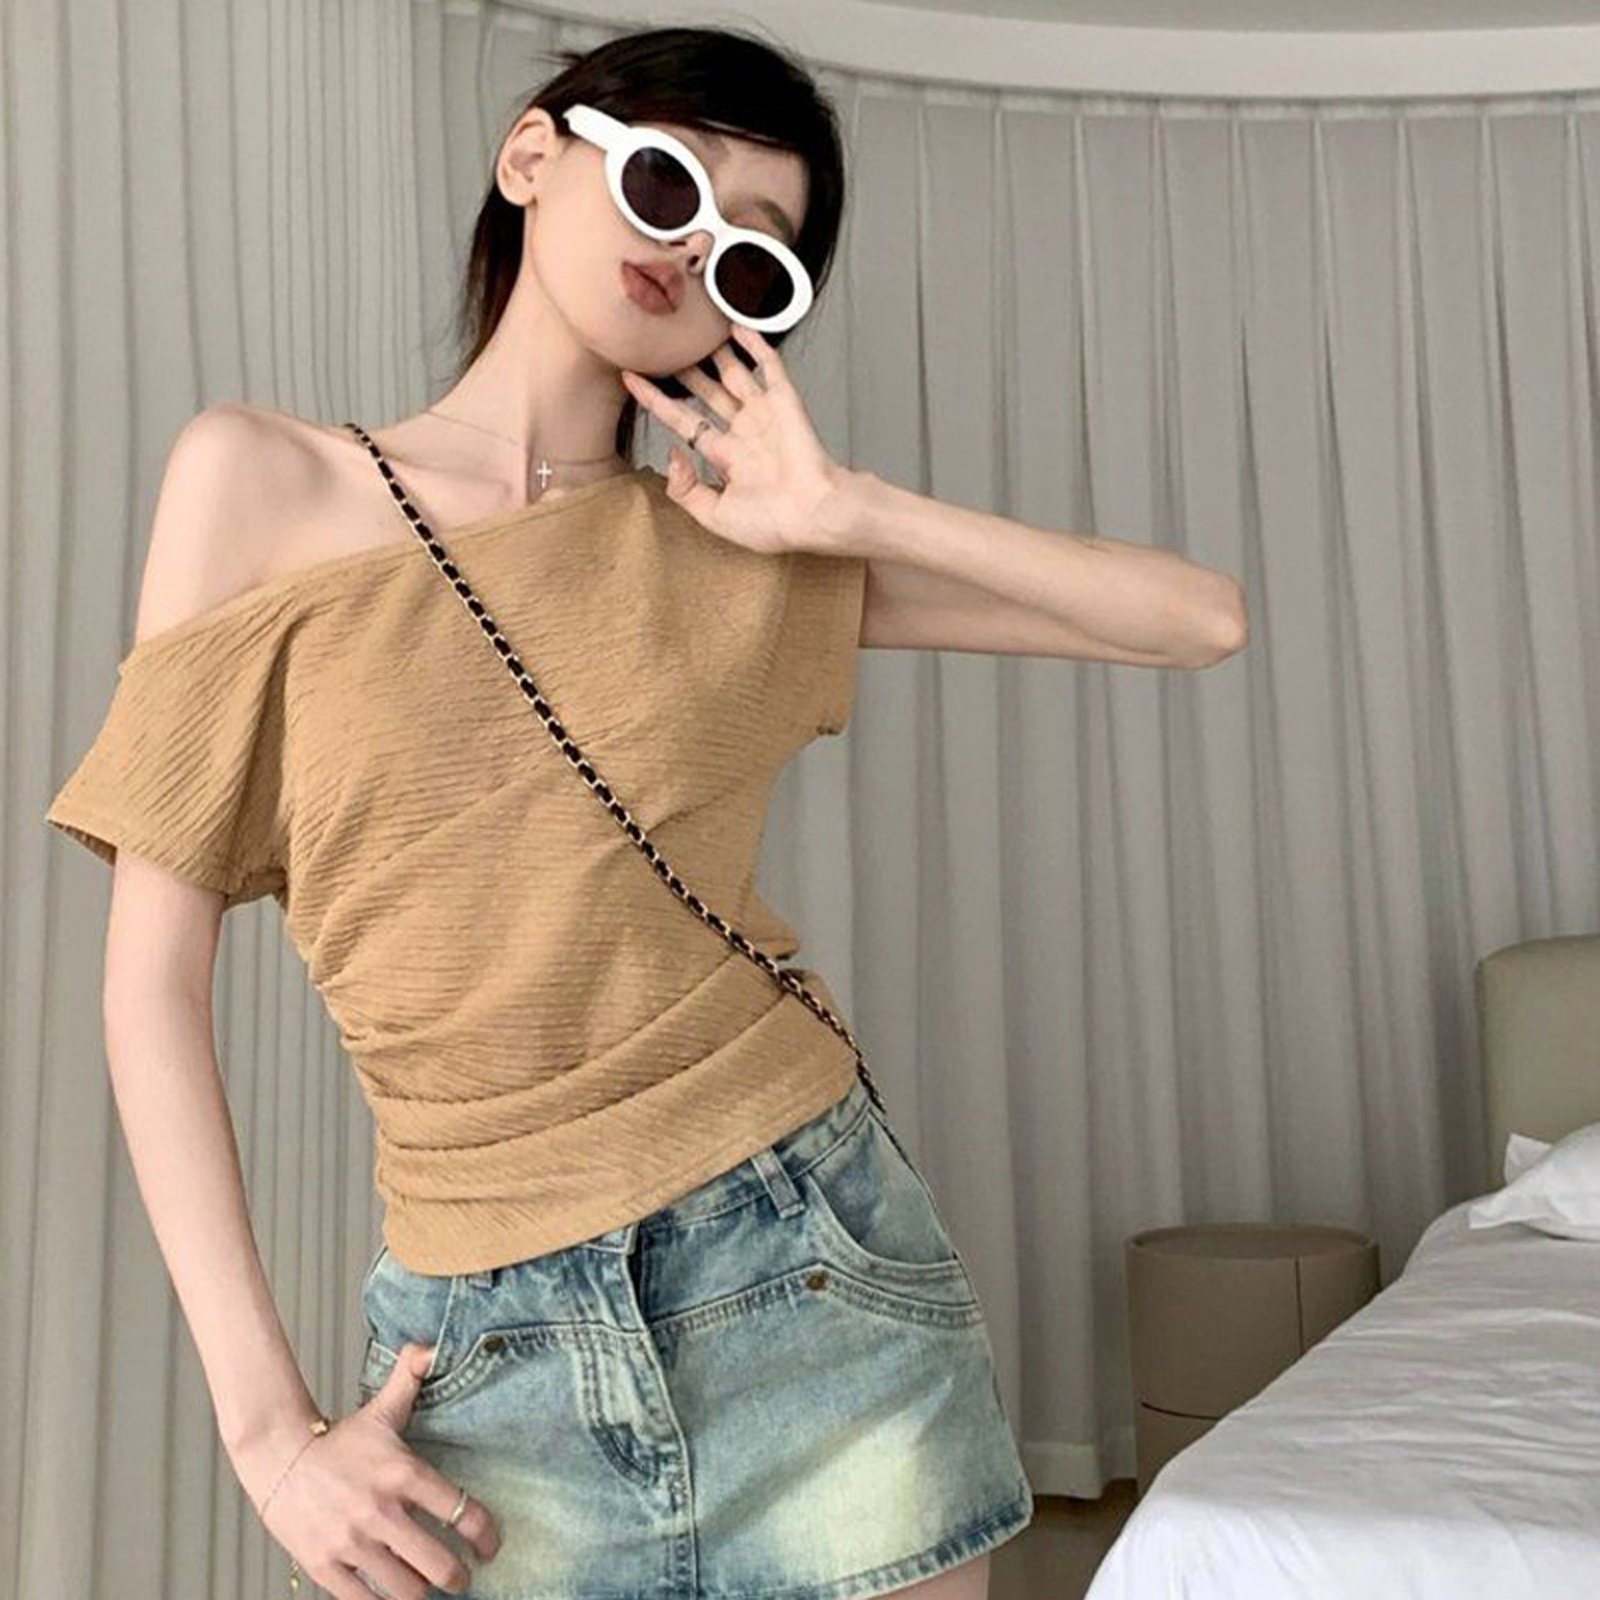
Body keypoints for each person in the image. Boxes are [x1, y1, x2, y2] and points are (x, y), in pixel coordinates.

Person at [46, 22, 1246, 1600]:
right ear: (532, 155)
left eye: (755, 252)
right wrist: (270, 1434)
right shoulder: (260, 483)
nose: (694, 247)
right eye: (673, 182)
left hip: (811, 1269)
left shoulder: (740, 545)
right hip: (484, 1352)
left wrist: (849, 507)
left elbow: (1195, 620)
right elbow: (150, 987)